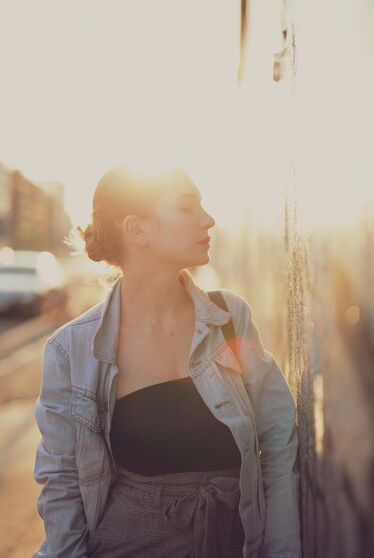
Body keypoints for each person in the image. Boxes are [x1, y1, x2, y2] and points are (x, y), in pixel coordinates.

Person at [32, 165, 302, 558]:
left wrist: (282, 550)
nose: (207, 219)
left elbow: (278, 442)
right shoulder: (70, 350)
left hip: (235, 542)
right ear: (137, 230)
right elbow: (62, 484)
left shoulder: (229, 319)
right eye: (187, 207)